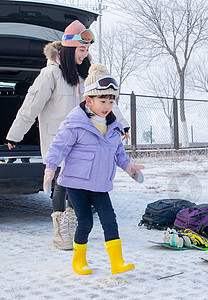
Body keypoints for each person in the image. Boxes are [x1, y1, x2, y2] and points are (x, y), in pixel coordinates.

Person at [5, 20, 129, 250]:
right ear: (70, 49)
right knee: (61, 183)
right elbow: (30, 106)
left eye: (87, 50)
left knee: (78, 184)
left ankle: (74, 224)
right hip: (59, 139)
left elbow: (104, 99)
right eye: (81, 50)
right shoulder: (50, 74)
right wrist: (15, 135)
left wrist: (122, 125)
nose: (85, 54)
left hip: (84, 141)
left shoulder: (85, 76)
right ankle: (60, 228)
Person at [43, 63, 143, 275]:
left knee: (110, 220)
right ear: (89, 100)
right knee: (85, 222)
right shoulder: (76, 124)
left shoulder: (113, 127)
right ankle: (78, 261)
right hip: (76, 184)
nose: (107, 106)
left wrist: (129, 166)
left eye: (111, 101)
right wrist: (50, 168)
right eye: (102, 100)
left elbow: (118, 154)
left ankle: (117, 262)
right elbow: (59, 147)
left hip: (100, 184)